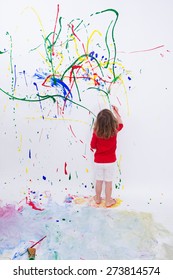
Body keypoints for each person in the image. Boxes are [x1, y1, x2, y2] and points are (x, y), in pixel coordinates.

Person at [90, 105, 123, 207]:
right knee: (108, 182)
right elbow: (121, 123)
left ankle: (98, 198)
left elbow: (92, 146)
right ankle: (108, 200)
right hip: (110, 162)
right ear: (112, 121)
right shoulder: (115, 130)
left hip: (98, 161)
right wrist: (116, 112)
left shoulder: (96, 132)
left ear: (98, 122)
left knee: (99, 180)